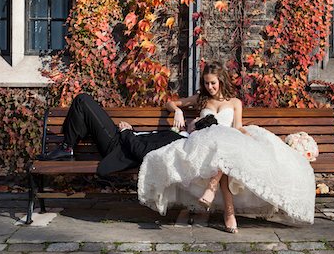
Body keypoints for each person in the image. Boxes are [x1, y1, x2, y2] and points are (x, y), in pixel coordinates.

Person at [137, 61, 316, 233]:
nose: (210, 87)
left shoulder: (235, 102)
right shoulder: (201, 98)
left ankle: (213, 190)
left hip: (226, 141)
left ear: (221, 80)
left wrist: (251, 138)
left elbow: (237, 127)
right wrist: (178, 110)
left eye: (213, 83)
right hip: (204, 142)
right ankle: (227, 211)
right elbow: (170, 103)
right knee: (220, 147)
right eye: (206, 83)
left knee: (225, 148)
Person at [40, 93, 186, 176]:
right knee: (82, 107)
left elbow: (142, 152)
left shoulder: (178, 140)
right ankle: (72, 140)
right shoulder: (176, 136)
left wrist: (127, 132)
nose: (192, 119)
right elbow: (146, 142)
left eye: (196, 119)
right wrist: (131, 132)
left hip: (117, 146)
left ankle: (67, 146)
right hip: (121, 140)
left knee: (82, 100)